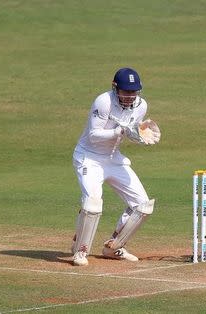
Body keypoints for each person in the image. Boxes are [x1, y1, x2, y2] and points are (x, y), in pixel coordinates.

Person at [71, 67, 161, 266]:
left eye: (134, 92)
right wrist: (120, 130)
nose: (130, 96)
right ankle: (80, 251)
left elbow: (129, 132)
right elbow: (94, 136)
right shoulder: (103, 102)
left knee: (143, 205)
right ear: (115, 88)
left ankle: (113, 247)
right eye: (126, 91)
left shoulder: (141, 105)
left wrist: (139, 136)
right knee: (93, 203)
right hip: (89, 157)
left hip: (113, 158)